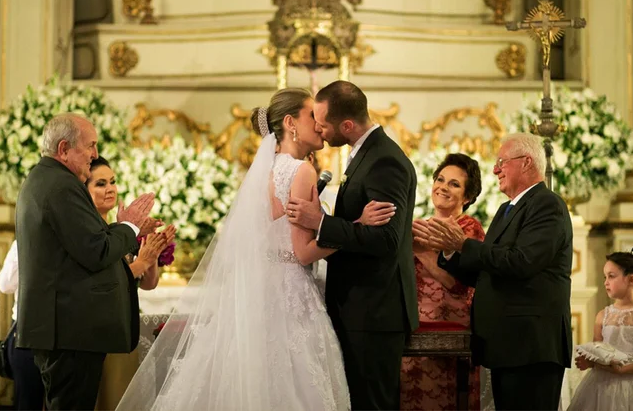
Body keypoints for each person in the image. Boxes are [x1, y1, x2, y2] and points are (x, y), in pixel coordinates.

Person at [117, 88, 351, 410]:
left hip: (260, 292)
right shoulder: (302, 170)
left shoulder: (267, 171)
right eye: (312, 115)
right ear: (290, 123)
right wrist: (350, 232)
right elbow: (302, 253)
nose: (321, 123)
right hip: (291, 294)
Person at [414, 133, 573, 411]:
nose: (495, 169)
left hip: (531, 345)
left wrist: (463, 244)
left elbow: (522, 262)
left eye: (501, 162)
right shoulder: (506, 210)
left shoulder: (547, 204)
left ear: (526, 163)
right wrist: (451, 252)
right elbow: (486, 270)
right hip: (508, 345)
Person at [287, 80, 419, 410]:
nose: (318, 128)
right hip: (361, 310)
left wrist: (320, 222)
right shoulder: (367, 155)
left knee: (372, 403)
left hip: (374, 313)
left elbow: (387, 241)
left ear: (347, 125)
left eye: (322, 122)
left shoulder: (384, 161)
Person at [14, 113, 158, 411]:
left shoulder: (48, 179)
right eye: (90, 146)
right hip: (69, 330)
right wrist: (129, 226)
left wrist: (123, 229)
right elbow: (97, 251)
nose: (94, 155)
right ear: (64, 148)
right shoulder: (61, 186)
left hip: (66, 329)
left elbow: (80, 245)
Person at [85, 156, 173, 411]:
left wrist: (150, 249)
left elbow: (148, 284)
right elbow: (103, 280)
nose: (110, 188)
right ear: (84, 190)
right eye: (100, 184)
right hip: (99, 329)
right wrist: (140, 262)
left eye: (112, 182)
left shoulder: (119, 230)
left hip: (124, 324)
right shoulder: (91, 234)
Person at [402, 153, 485, 410]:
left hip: (449, 327)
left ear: (468, 197)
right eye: (440, 179)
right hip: (410, 326)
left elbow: (460, 285)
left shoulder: (468, 228)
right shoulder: (417, 226)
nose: (443, 187)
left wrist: (419, 251)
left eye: (454, 184)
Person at [568, 246, 633, 411]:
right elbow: (599, 352)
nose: (606, 282)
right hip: (603, 386)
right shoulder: (602, 315)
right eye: (605, 276)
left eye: (611, 276)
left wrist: (624, 369)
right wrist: (590, 361)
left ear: (631, 279)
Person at [0, 241, 44, 410]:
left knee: (27, 401)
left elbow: (5, 284)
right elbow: (5, 285)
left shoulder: (23, 244)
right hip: (30, 333)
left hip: (27, 334)